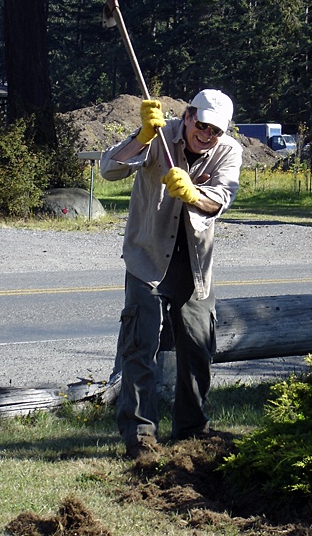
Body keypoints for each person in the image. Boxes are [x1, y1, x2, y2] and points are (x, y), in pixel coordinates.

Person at [100, 88, 242, 458]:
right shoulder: (160, 133)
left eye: (216, 131)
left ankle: (192, 431)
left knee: (197, 348)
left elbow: (220, 200)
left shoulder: (229, 151)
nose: (207, 135)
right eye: (203, 125)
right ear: (190, 116)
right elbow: (109, 169)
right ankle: (140, 437)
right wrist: (142, 136)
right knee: (140, 346)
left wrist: (193, 194)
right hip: (147, 259)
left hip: (194, 266)